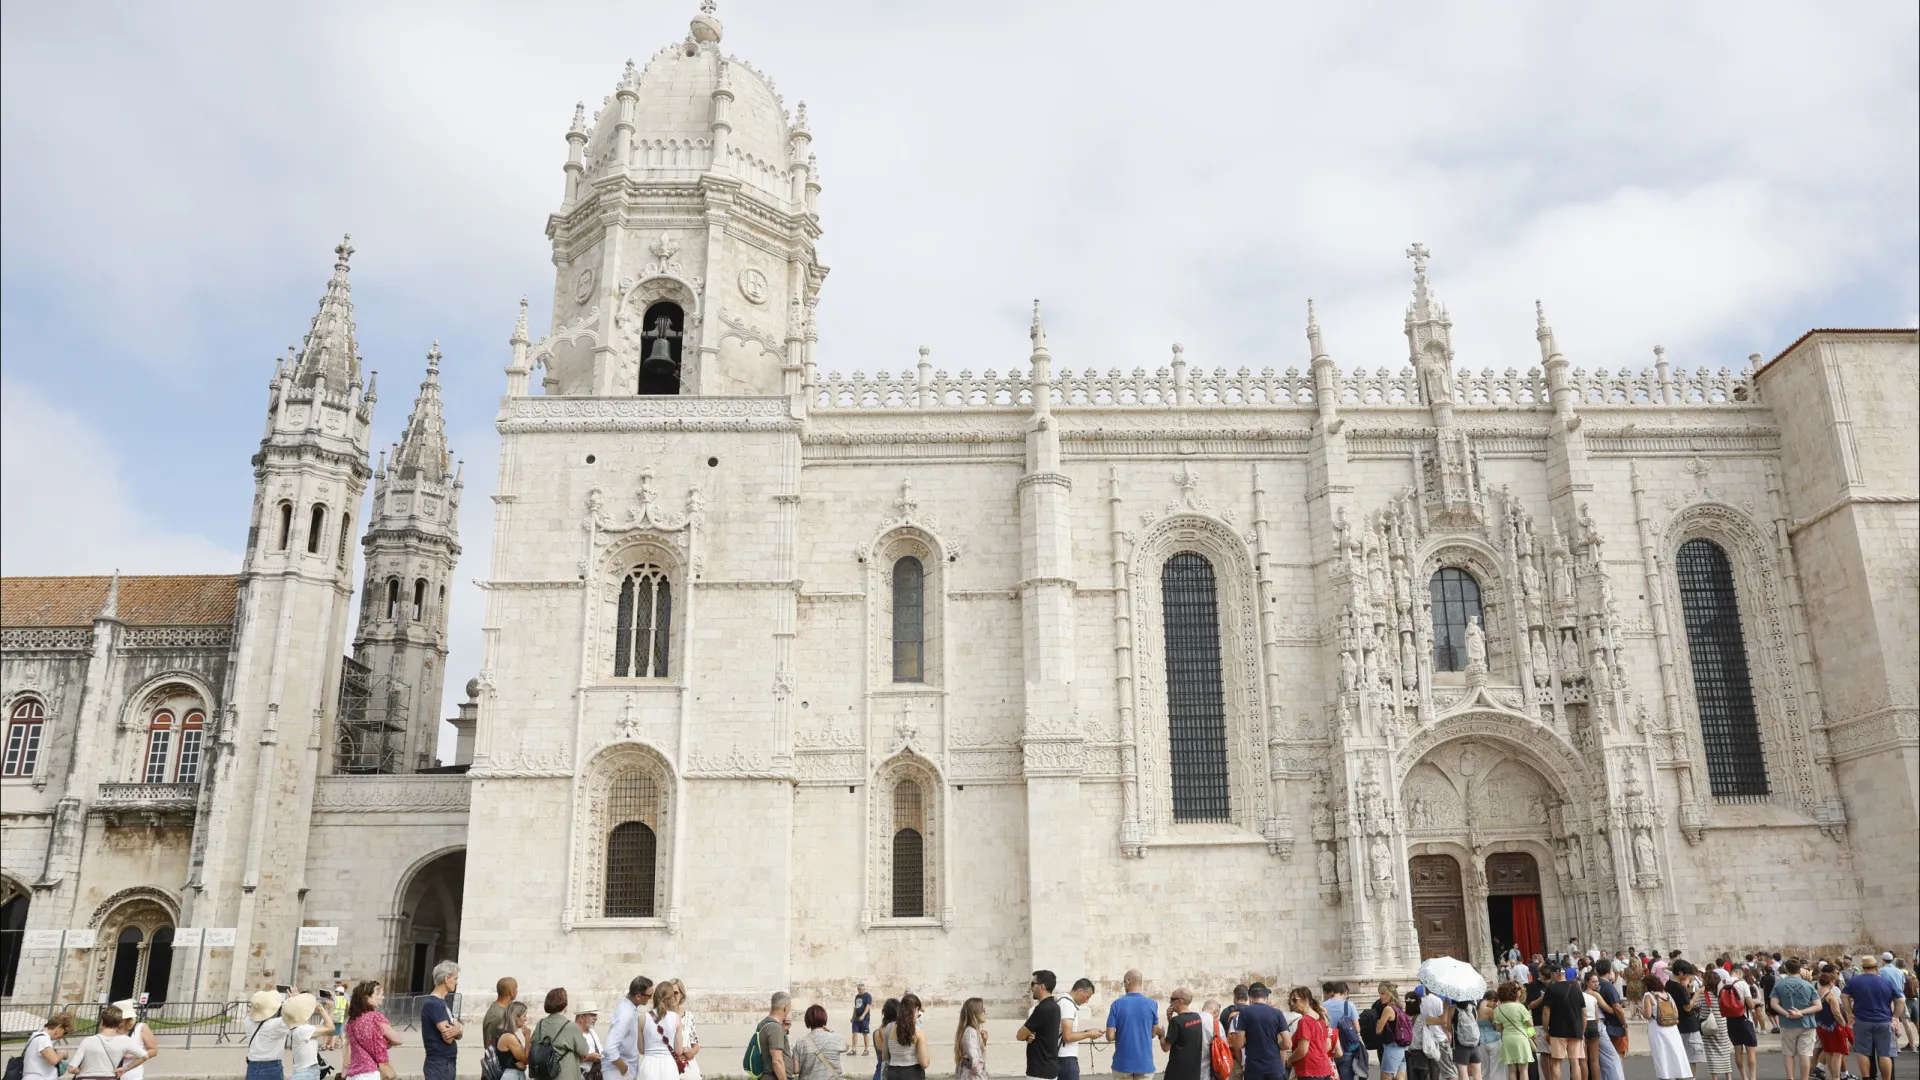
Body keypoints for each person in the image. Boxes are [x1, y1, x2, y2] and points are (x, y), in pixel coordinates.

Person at [1843, 955, 1900, 1080]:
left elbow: (1844, 996)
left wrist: (1850, 1013)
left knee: (1863, 1052)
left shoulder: (1854, 981)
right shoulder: (1886, 982)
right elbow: (1900, 1000)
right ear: (1876, 966)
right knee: (1885, 1053)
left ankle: (1867, 1077)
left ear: (1863, 968)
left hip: (1862, 1020)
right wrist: (1895, 1017)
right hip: (1884, 1020)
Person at [528, 989, 598, 1080]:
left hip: (544, 1075)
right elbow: (584, 1051)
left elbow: (534, 1043)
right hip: (564, 1074)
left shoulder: (540, 1024)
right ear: (565, 1006)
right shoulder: (571, 1027)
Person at [1770, 958, 1819, 1080]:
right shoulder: (1808, 985)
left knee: (1788, 1053)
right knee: (1805, 1054)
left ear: (1786, 969)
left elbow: (1773, 1004)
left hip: (1787, 1023)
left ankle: (1790, 1078)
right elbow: (1818, 1006)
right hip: (1806, 1022)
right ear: (1800, 969)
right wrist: (1801, 1012)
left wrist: (1787, 1013)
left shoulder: (1779, 984)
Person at [1108, 970, 1163, 1080]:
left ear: (1128, 981)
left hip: (1122, 1064)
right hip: (1145, 1064)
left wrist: (1123, 1033)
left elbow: (1110, 1036)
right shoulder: (1152, 1004)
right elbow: (1153, 1033)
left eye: (1124, 982)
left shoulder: (1116, 1004)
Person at [70, 1004, 147, 1080]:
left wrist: (81, 1071)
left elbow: (71, 1069)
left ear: (102, 1021)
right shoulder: (125, 1040)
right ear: (119, 1022)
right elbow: (144, 1056)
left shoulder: (87, 1041)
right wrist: (125, 1068)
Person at [346, 981, 403, 1080]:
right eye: (378, 994)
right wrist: (386, 1043)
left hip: (353, 1073)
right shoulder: (375, 1018)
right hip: (370, 1072)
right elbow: (397, 1039)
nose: (382, 997)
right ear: (367, 999)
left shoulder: (351, 1022)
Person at [1231, 983, 1290, 1080]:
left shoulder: (1244, 1012)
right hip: (1274, 1068)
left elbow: (1239, 1043)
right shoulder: (1278, 1013)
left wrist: (1248, 1044)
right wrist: (1275, 1047)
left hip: (1254, 1069)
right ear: (1266, 998)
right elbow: (1288, 1044)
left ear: (1250, 998)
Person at [1640, 975, 1690, 1080]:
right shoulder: (1668, 995)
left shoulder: (1648, 996)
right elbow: (1676, 1012)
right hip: (1672, 1028)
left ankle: (1665, 1076)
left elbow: (1648, 1015)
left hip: (1657, 1028)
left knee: (1662, 1055)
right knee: (1675, 1053)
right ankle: (1679, 1074)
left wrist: (1641, 1011)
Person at [422, 960, 463, 1080]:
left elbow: (457, 1032)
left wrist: (458, 1030)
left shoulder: (441, 1002)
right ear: (446, 978)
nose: (456, 982)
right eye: (455, 978)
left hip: (445, 1063)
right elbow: (449, 1037)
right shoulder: (434, 1004)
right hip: (439, 1064)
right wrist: (457, 1029)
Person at [1019, 973, 1064, 1080]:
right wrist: (1029, 1036)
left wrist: (1027, 1035)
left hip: (1039, 1071)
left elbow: (1020, 1035)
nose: (1031, 988)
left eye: (1033, 984)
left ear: (1042, 986)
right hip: (1049, 1068)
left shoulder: (1042, 1008)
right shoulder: (1055, 1006)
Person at [608, 976, 655, 1080]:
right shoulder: (625, 1013)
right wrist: (625, 1070)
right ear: (638, 996)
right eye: (649, 995)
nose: (651, 998)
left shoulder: (629, 1008)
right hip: (619, 1072)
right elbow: (609, 1049)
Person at [1287, 988, 1337, 1080]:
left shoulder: (1304, 1021)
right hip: (1324, 1069)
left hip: (1309, 1071)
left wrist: (1290, 1060)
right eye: (1290, 1001)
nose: (1292, 1003)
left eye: (1294, 1000)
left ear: (1305, 1000)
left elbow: (1302, 1050)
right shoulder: (1320, 1019)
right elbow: (1328, 1045)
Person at [879, 992, 930, 1080]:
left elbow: (884, 1056)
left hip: (893, 1073)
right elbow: (924, 1063)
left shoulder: (889, 1027)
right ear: (916, 1009)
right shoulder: (918, 1031)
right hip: (913, 1073)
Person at [1491, 982, 1535, 1080]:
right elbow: (1530, 1024)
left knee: (1511, 1070)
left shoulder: (1498, 1009)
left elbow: (1498, 1029)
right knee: (1523, 1070)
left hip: (1507, 1039)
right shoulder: (1520, 1006)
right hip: (1520, 1038)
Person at [1163, 989, 1209, 1080]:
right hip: (1194, 1070)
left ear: (1180, 1000)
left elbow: (1165, 1047)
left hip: (1177, 1071)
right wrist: (1170, 1019)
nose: (1170, 1002)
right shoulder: (1197, 1017)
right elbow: (1183, 1033)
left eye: (1172, 999)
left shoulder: (1176, 1021)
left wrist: (1161, 1035)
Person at [285, 993, 333, 1080]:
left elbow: (327, 1026)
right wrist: (321, 1009)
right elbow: (330, 1028)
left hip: (306, 1072)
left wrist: (330, 1009)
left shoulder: (300, 1028)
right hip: (306, 1074)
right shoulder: (303, 1030)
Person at [1811, 970, 1849, 1080]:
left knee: (1828, 1051)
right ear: (1831, 982)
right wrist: (1843, 1024)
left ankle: (1832, 1076)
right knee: (1837, 1053)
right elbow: (1836, 1013)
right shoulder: (1831, 996)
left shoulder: (1816, 993)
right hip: (1833, 1027)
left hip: (1820, 1026)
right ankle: (1836, 1077)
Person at [1722, 967, 1759, 1080]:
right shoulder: (1742, 984)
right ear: (1738, 973)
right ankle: (1752, 1077)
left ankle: (1744, 1077)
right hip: (1744, 1019)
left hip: (1730, 1020)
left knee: (1738, 1050)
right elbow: (1750, 1004)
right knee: (1750, 1051)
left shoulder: (1722, 984)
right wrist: (1754, 1003)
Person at [247, 989, 292, 1080]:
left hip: (252, 1066)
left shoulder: (247, 1021)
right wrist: (293, 1000)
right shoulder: (275, 1025)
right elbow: (294, 1017)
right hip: (271, 1068)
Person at [1324, 983, 1364, 1080]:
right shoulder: (1349, 1005)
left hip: (1328, 1049)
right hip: (1346, 1049)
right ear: (1345, 992)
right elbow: (1357, 1029)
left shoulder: (1322, 1005)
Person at [1061, 979, 1099, 1080]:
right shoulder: (1067, 1005)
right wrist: (1089, 1034)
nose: (1087, 1001)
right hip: (1066, 1059)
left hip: (1064, 1059)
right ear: (1080, 991)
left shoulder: (1064, 1002)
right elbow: (1067, 1036)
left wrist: (1088, 1032)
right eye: (1087, 997)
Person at [112, 1000, 160, 1080]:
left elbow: (153, 1050)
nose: (116, 1020)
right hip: (110, 1073)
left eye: (119, 1017)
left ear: (128, 1018)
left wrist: (134, 1054)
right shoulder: (110, 1029)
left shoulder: (141, 1028)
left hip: (132, 1074)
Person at [797, 1004, 847, 1080]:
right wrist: (830, 1030)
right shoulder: (836, 1038)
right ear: (824, 1017)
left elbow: (795, 1070)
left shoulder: (801, 1042)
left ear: (807, 1020)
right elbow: (846, 1046)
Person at [1698, 971, 1732, 1080]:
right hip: (1722, 1024)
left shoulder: (1703, 994)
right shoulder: (1722, 993)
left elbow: (1695, 1005)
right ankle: (1728, 1076)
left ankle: (1715, 1078)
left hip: (1709, 1025)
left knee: (1711, 1052)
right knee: (1724, 1050)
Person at [756, 992, 797, 1080]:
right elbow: (777, 1062)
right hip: (776, 1077)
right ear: (785, 1008)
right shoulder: (774, 1028)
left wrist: (783, 1030)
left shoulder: (763, 1024)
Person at [22, 1012, 73, 1080]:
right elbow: (53, 1060)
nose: (63, 1036)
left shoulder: (37, 1035)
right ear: (59, 1027)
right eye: (65, 1032)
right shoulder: (44, 1039)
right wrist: (63, 1054)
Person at [1419, 986, 1456, 1080]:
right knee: (1450, 1071)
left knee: (1432, 1071)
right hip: (1439, 1038)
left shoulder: (1421, 1001)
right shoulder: (1438, 1000)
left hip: (1426, 1039)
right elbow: (1443, 1021)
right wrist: (1446, 1007)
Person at [1372, 984, 1407, 1080]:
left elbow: (1378, 1030)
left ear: (1390, 994)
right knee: (1400, 1077)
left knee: (1386, 1076)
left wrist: (1379, 1022)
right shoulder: (1399, 1008)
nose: (1380, 996)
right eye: (1380, 993)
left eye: (1383, 993)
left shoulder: (1388, 1009)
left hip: (1391, 1048)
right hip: (1401, 1047)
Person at [496, 1001, 533, 1080]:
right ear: (516, 1017)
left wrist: (518, 1063)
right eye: (524, 1016)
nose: (526, 1019)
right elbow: (526, 1059)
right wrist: (527, 1037)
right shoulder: (509, 1037)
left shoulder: (508, 1034)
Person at [955, 998, 990, 1080]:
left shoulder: (973, 1031)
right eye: (982, 1010)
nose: (985, 1012)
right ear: (974, 1013)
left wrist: (983, 1042)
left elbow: (975, 1053)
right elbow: (975, 1060)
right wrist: (982, 1076)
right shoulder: (970, 1032)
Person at [486, 978, 521, 1052]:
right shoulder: (499, 1015)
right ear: (511, 992)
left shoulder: (500, 1010)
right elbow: (490, 1044)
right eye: (516, 988)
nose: (517, 991)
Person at [577, 1000, 605, 1080]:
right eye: (593, 1015)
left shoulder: (592, 1032)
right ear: (582, 1017)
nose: (596, 1018)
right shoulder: (572, 1033)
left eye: (596, 1015)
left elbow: (600, 1050)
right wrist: (588, 1058)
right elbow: (567, 1058)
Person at [854, 984, 875, 1058]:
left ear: (864, 989)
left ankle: (866, 1049)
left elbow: (868, 1006)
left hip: (864, 1018)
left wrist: (863, 1015)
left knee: (865, 1033)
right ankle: (854, 1049)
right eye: (858, 990)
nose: (859, 991)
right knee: (854, 1032)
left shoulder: (867, 996)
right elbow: (855, 1007)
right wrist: (853, 1017)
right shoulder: (857, 996)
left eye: (860, 990)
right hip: (856, 1018)